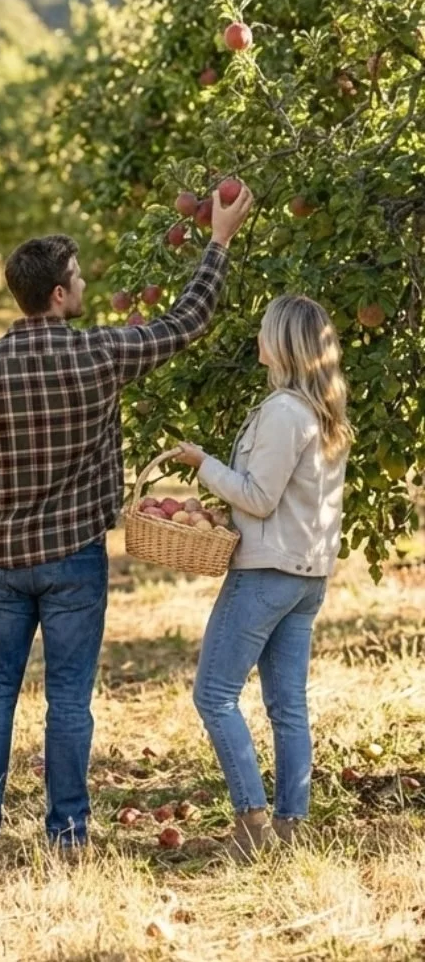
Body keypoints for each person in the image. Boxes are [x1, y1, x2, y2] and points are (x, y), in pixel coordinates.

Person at [0, 183, 255, 852]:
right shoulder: (98, 354)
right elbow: (185, 322)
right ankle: (69, 831)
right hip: (75, 557)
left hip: (3, 559)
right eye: (77, 278)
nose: (82, 285)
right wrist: (217, 242)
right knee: (70, 699)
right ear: (58, 294)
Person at [175, 294, 352, 860]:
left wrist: (203, 464)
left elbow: (257, 496)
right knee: (288, 705)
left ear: (283, 342)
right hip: (307, 575)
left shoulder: (284, 411)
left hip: (267, 572)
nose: (257, 337)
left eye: (264, 330)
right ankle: (290, 828)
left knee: (214, 696)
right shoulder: (324, 414)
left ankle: (253, 824)